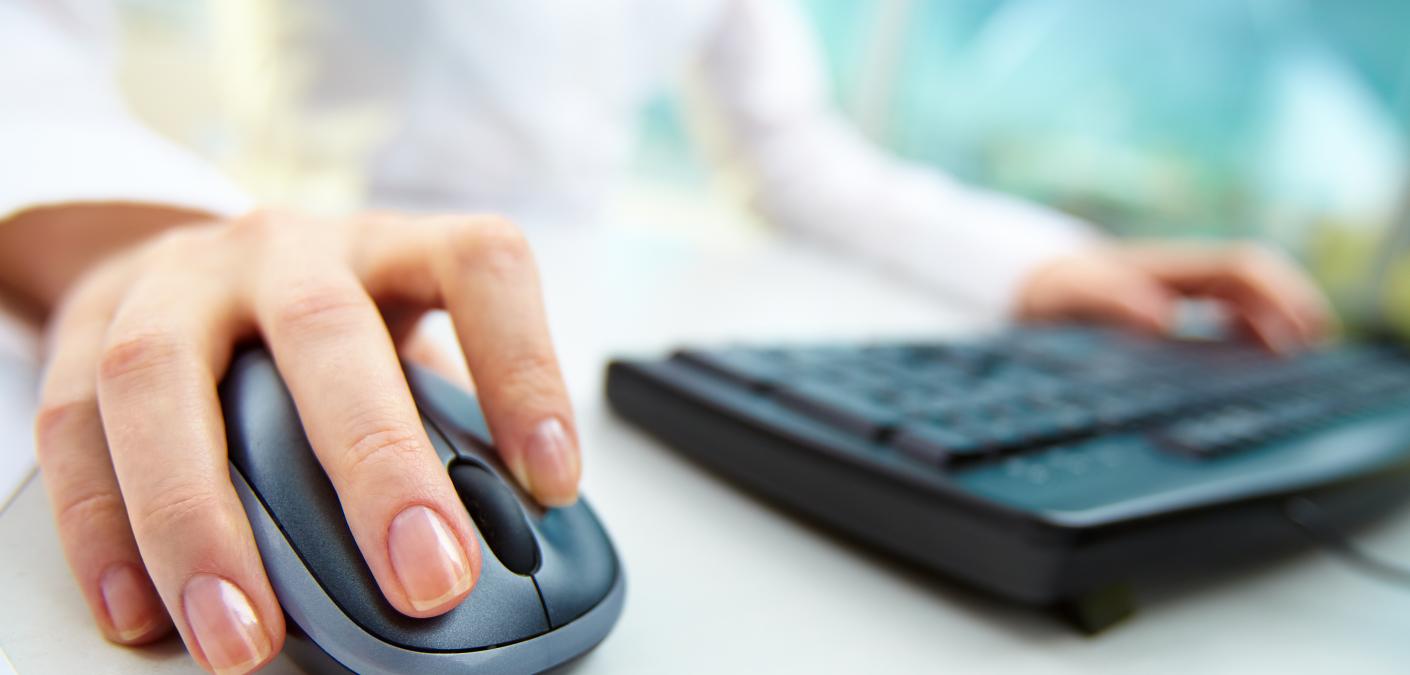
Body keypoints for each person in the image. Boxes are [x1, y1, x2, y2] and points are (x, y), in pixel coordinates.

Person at [0, 1, 1333, 673]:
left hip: (559, 338)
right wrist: (139, 240)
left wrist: (1052, 263)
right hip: (310, 269)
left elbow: (796, 153)